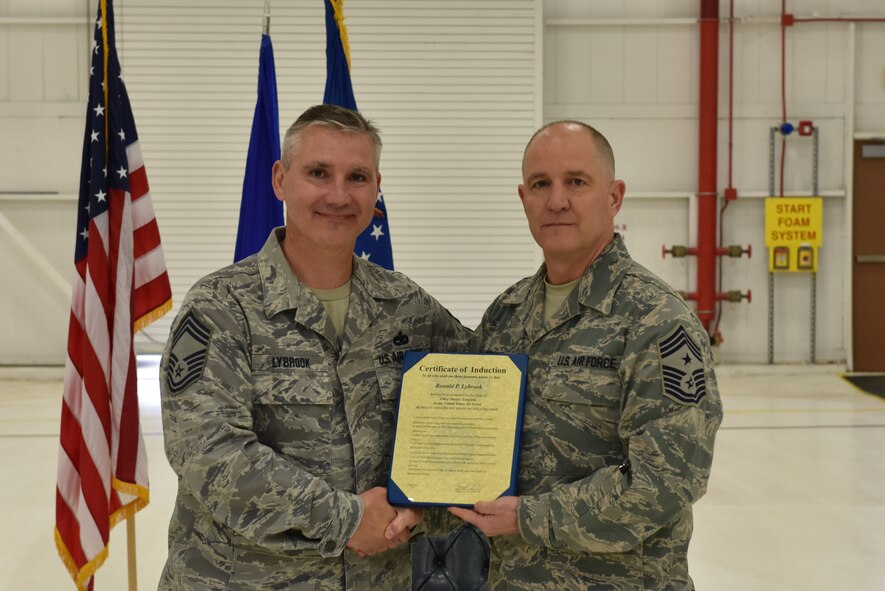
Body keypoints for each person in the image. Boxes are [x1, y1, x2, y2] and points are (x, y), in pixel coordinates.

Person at [158, 104, 470, 590]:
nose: (339, 195)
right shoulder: (221, 307)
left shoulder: (406, 308)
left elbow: (482, 395)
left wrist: (420, 504)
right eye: (319, 173)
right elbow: (210, 456)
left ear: (376, 188)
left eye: (358, 177)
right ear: (281, 180)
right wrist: (346, 519)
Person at [449, 120, 723, 590]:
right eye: (541, 184)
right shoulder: (506, 317)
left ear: (614, 196)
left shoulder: (657, 321)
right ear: (523, 198)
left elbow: (666, 484)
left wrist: (527, 517)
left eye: (576, 181)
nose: (557, 200)